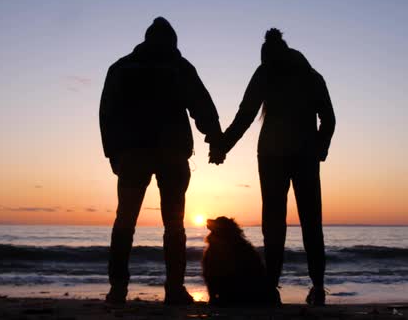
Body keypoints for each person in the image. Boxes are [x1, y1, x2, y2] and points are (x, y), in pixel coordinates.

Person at [99, 17, 223, 305]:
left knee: (125, 222)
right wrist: (215, 140)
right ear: (173, 42)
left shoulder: (121, 67)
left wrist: (113, 153)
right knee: (174, 224)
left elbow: (107, 114)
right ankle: (174, 289)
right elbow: (202, 105)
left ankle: (118, 288)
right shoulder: (179, 67)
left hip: (134, 154)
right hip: (171, 153)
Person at [212, 28, 335, 305]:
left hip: (272, 156)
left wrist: (222, 146)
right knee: (311, 222)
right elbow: (329, 119)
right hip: (302, 156)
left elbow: (245, 115)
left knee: (274, 223)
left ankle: (272, 287)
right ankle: (317, 287)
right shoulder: (312, 77)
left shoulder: (266, 72)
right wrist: (319, 148)